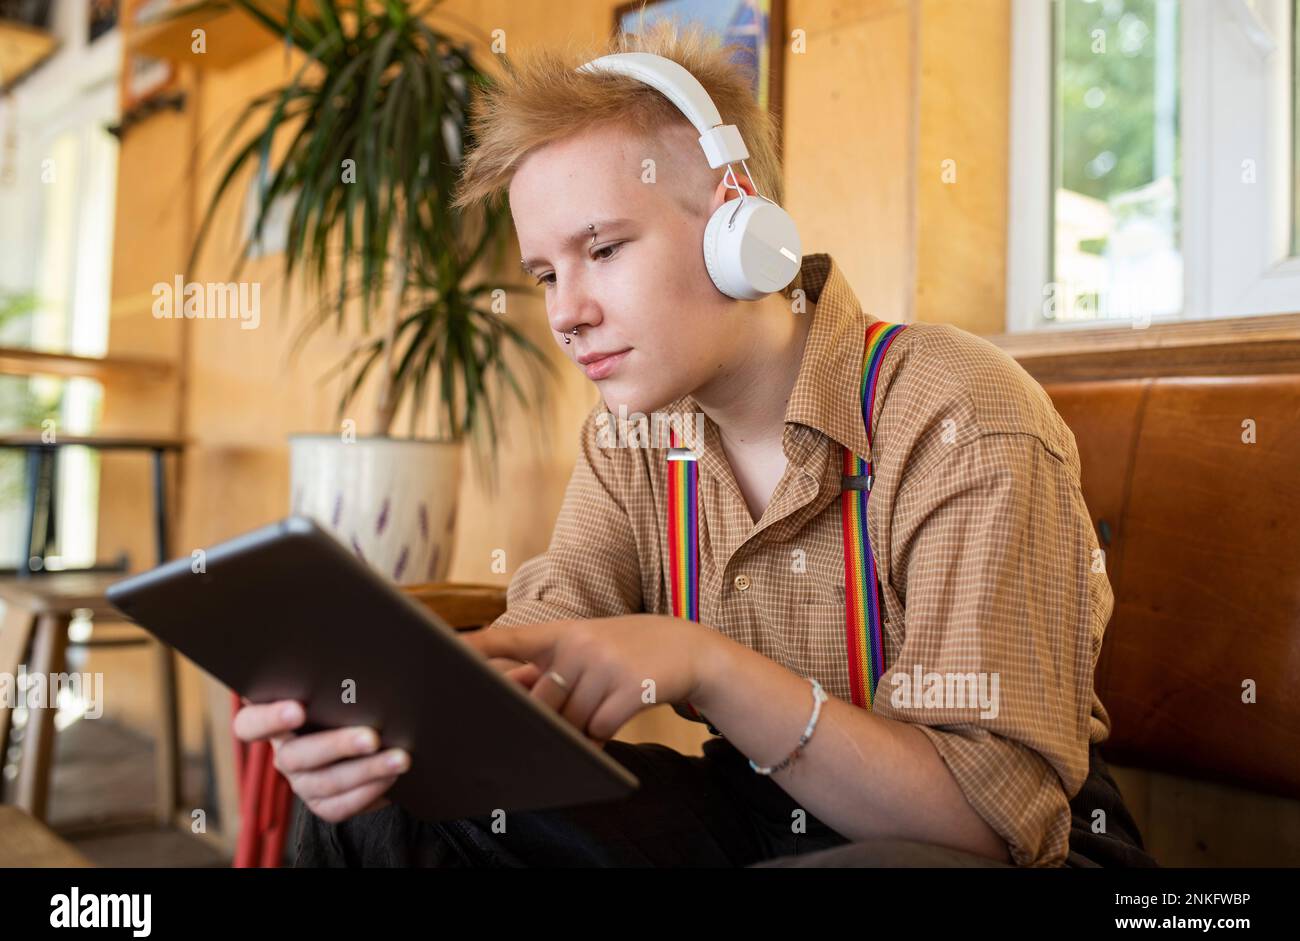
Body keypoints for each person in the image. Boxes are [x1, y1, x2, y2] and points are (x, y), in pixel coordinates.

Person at [235, 22, 1155, 869]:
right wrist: (389, 737)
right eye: (546, 272)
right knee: (385, 813)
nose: (566, 312)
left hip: (1006, 847)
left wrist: (704, 664)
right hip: (762, 810)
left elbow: (992, 822)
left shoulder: (958, 410)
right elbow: (549, 643)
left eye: (602, 250)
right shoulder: (633, 433)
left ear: (736, 222)